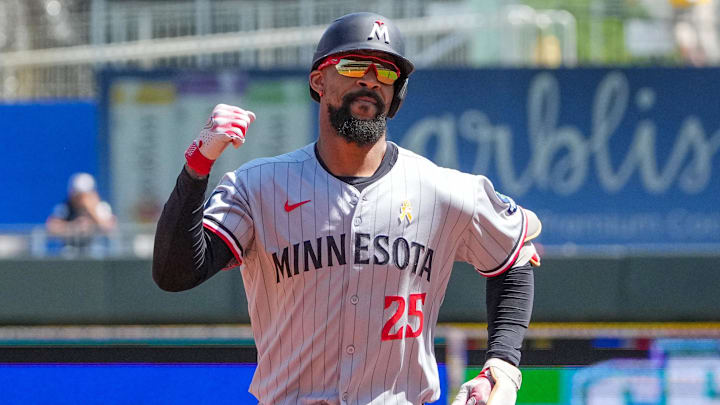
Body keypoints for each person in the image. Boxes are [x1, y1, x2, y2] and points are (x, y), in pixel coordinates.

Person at [153, 12, 541, 405]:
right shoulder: (258, 187)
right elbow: (175, 272)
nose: (370, 79)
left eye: (386, 72)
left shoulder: (443, 190)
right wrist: (198, 164)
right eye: (354, 64)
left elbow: (514, 255)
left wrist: (502, 366)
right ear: (319, 80)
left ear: (397, 94)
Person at [47, 172, 116, 254]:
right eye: (78, 195)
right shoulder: (66, 206)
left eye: (85, 195)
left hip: (95, 249)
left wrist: (92, 211)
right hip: (71, 248)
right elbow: (52, 227)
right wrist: (73, 227)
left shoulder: (101, 207)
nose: (81, 199)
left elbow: (110, 228)